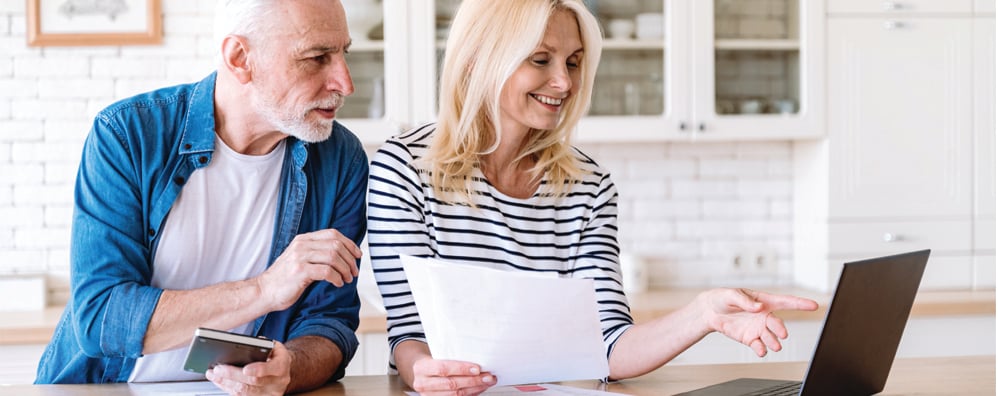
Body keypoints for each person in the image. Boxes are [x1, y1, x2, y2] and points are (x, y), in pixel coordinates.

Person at [366, 0, 820, 395]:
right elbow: (410, 334)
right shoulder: (406, 169)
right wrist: (425, 372)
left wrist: (703, 314)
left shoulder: (587, 185)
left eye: (574, 62)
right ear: (476, 61)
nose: (564, 82)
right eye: (541, 59)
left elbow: (610, 346)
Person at [34, 0, 368, 394]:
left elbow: (330, 322)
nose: (345, 83)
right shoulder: (128, 135)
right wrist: (264, 289)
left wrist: (289, 368)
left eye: (342, 54)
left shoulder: (339, 158)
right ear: (240, 58)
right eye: (316, 58)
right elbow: (102, 318)